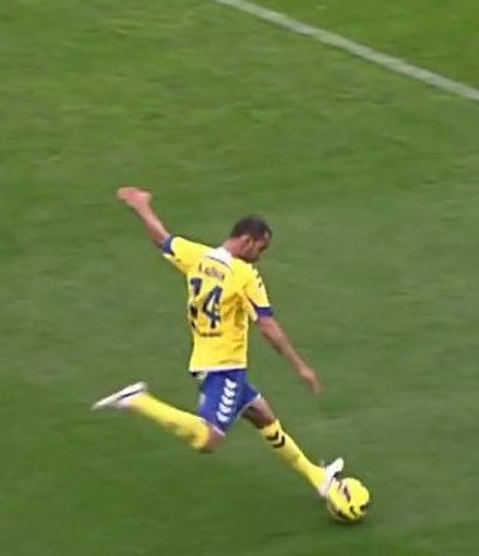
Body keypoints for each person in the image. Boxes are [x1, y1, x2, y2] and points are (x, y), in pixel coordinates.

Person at [92, 186, 346, 508]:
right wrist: (301, 366)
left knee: (263, 417)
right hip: (224, 367)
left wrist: (141, 206)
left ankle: (319, 479)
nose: (260, 256)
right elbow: (267, 326)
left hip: (204, 359)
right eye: (261, 248)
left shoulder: (199, 257)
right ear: (247, 240)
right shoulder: (244, 275)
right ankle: (138, 401)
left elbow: (161, 237)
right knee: (208, 439)